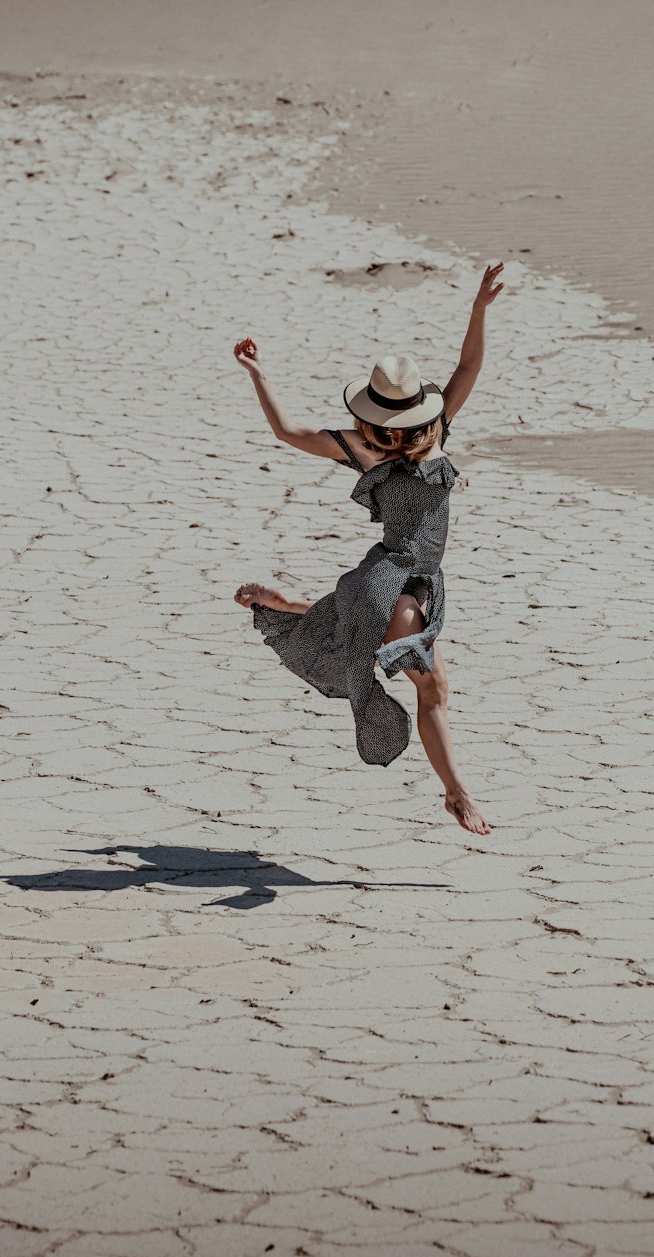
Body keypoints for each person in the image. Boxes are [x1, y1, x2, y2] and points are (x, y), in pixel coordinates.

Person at [233, 262, 505, 836]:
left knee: (399, 659)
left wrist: (479, 307)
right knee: (431, 687)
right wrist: (258, 373)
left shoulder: (399, 438)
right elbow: (468, 366)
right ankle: (458, 795)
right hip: (395, 582)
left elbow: (468, 364)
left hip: (404, 579)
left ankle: (288, 606)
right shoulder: (398, 441)